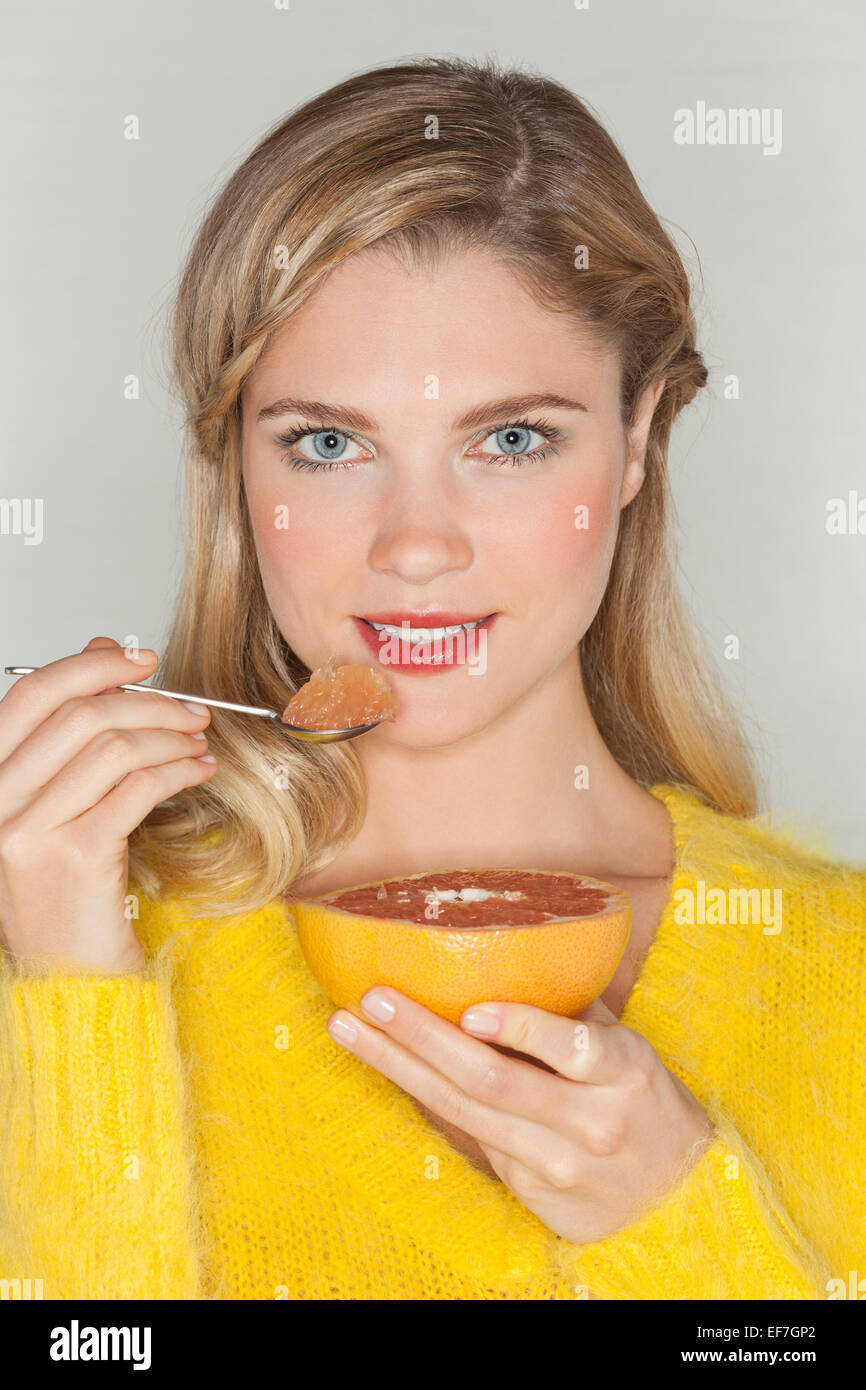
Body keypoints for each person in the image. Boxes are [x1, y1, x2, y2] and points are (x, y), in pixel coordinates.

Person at [1, 56, 862, 1301]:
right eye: (329, 443)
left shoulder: (835, 967)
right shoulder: (66, 950)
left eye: (509, 439)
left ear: (637, 437)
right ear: (235, 464)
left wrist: (682, 1223)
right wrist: (74, 1000)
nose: (414, 545)